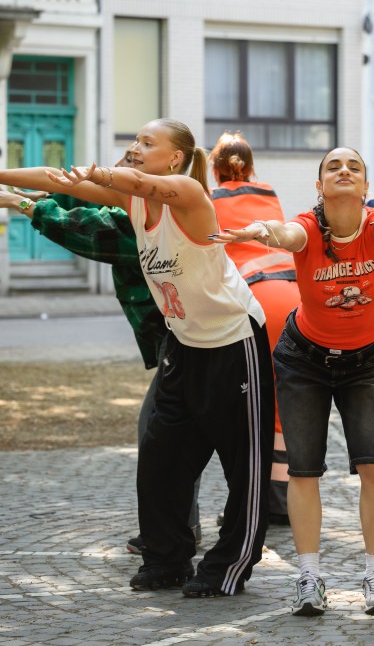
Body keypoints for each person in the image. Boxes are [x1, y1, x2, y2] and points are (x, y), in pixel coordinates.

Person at [0, 118, 274, 598]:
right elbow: (56, 181)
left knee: (244, 468)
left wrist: (101, 174)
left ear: (175, 157)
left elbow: (139, 182)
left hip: (233, 342)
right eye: (135, 140)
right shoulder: (132, 200)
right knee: (161, 458)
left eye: (148, 142)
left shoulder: (187, 192)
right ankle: (167, 559)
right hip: (183, 345)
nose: (136, 147)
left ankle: (228, 566)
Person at [211, 146, 374, 617]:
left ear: (366, 185)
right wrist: (263, 231)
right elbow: (288, 235)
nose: (344, 170)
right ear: (320, 186)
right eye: (333, 166)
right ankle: (309, 576)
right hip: (304, 360)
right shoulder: (307, 226)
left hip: (368, 361)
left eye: (354, 166)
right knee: (303, 469)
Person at [0, 177, 205, 553]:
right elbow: (82, 199)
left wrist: (20, 203)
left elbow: (88, 231)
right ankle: (182, 528)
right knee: (173, 431)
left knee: (164, 432)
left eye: (140, 152)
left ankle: (179, 534)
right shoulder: (143, 204)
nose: (131, 157)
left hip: (194, 338)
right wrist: (25, 192)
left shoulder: (150, 220)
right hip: (181, 336)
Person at [209, 131, 300, 525]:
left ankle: (250, 503)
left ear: (215, 168)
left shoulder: (211, 200)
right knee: (283, 400)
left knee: (247, 405)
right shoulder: (269, 194)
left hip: (255, 299)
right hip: (294, 296)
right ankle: (281, 501)